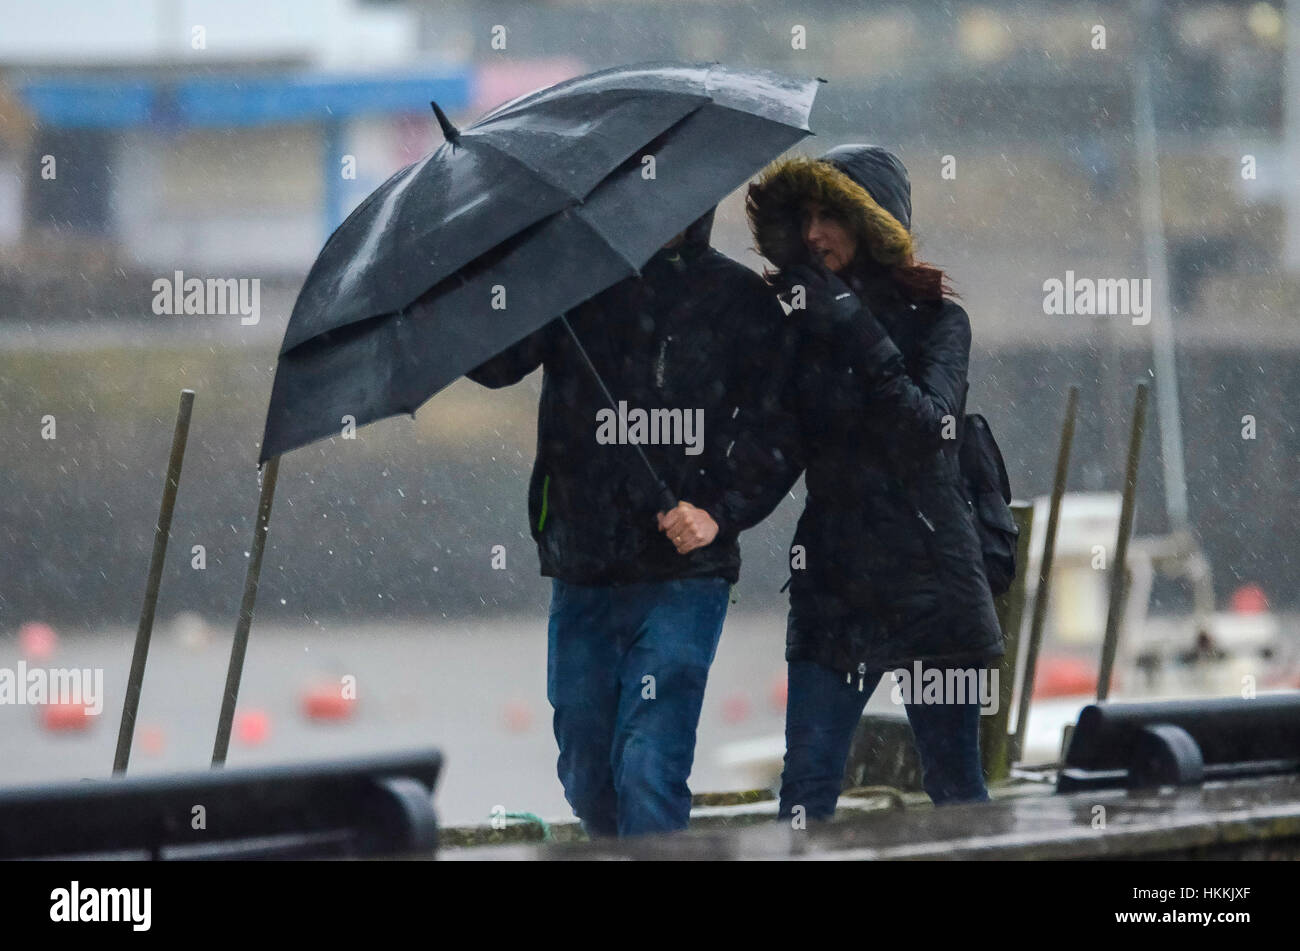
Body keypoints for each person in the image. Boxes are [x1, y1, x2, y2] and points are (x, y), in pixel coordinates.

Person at [467, 209, 787, 837]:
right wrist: (503, 269)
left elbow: (777, 433)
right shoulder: (572, 284)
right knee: (585, 770)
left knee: (648, 764)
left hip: (685, 575)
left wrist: (718, 515)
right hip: (581, 565)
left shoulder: (740, 299)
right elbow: (497, 365)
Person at [742, 145, 1006, 821]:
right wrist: (711, 511)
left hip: (933, 584)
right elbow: (773, 452)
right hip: (837, 588)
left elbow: (926, 428)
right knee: (804, 794)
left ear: (874, 224)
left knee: (956, 791)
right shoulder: (802, 328)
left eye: (830, 217)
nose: (812, 234)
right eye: (805, 218)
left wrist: (853, 324)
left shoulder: (943, 322)